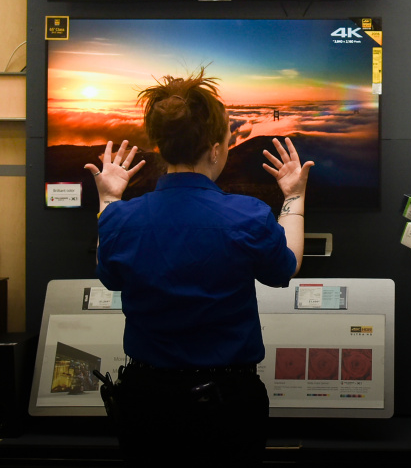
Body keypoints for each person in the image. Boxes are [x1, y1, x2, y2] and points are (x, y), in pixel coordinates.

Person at [86, 70, 313, 467]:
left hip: (146, 403)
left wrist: (108, 199)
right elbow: (286, 266)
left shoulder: (121, 220)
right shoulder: (249, 217)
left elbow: (110, 273)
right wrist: (293, 197)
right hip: (227, 404)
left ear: (160, 147)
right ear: (214, 150)